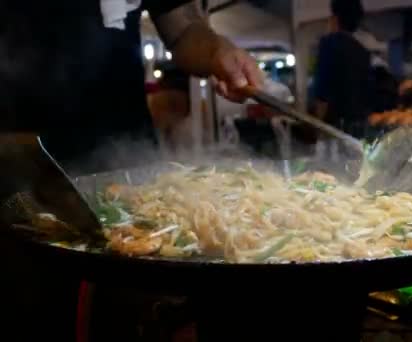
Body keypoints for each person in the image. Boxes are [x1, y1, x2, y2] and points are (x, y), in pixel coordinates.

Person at [0, 1, 262, 340]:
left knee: (131, 318)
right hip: (21, 163)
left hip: (126, 167)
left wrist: (217, 51)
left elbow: (183, 29)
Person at [313, 0, 371, 139]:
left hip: (334, 127)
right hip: (359, 126)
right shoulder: (362, 51)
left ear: (335, 18)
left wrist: (317, 126)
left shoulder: (329, 43)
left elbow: (323, 89)